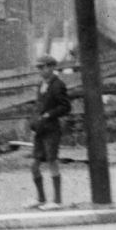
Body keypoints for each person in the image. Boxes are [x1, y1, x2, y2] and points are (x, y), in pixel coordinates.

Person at [29, 53, 72, 208]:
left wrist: (49, 114)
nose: (40, 70)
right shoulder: (41, 84)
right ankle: (41, 198)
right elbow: (38, 106)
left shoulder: (58, 85)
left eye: (42, 67)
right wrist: (34, 124)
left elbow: (65, 106)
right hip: (40, 130)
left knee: (52, 162)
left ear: (51, 67)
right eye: (38, 67)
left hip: (52, 129)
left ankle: (57, 201)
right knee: (34, 164)